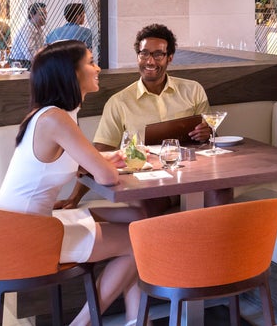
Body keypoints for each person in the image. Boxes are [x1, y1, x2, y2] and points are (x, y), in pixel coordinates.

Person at [0, 41, 140, 326]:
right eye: (90, 62)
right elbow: (107, 177)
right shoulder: (56, 119)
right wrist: (107, 164)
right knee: (139, 242)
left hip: (23, 223)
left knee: (139, 218)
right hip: (27, 235)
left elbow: (78, 160)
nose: (97, 68)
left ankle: (138, 319)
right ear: (70, 73)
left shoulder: (51, 114)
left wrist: (108, 157)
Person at [57, 24, 211, 212]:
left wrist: (207, 133)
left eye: (158, 55)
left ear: (169, 58)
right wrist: (74, 198)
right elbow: (98, 153)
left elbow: (211, 138)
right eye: (144, 53)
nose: (150, 61)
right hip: (148, 183)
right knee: (149, 205)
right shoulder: (119, 102)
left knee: (221, 194)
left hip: (192, 175)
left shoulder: (193, 90)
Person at [8, 2, 48, 68]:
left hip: (31, 63)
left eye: (46, 14)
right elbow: (30, 55)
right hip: (20, 65)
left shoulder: (38, 28)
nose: (45, 17)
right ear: (32, 15)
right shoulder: (27, 30)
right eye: (42, 14)